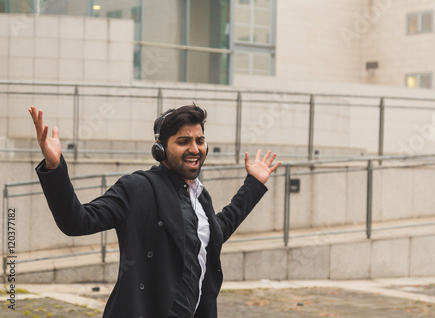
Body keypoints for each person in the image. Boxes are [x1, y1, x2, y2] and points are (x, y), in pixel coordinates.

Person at [28, 104, 281, 318]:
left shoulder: (200, 195)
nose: (195, 149)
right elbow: (77, 221)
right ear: (159, 148)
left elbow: (216, 232)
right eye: (183, 141)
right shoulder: (137, 188)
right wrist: (55, 166)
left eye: (200, 140)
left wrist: (253, 185)